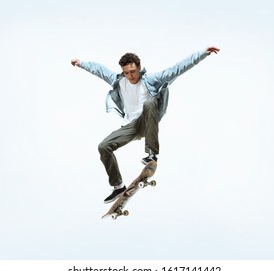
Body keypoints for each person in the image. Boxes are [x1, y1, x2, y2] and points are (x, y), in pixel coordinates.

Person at [71, 46, 220, 203]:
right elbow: (99, 70)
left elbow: (178, 68)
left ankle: (151, 154)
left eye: (133, 72)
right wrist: (81, 63)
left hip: (147, 121)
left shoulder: (151, 79)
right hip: (130, 126)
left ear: (139, 68)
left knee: (149, 103)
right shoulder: (119, 80)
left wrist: (203, 53)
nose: (130, 76)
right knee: (103, 146)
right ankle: (118, 186)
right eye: (127, 73)